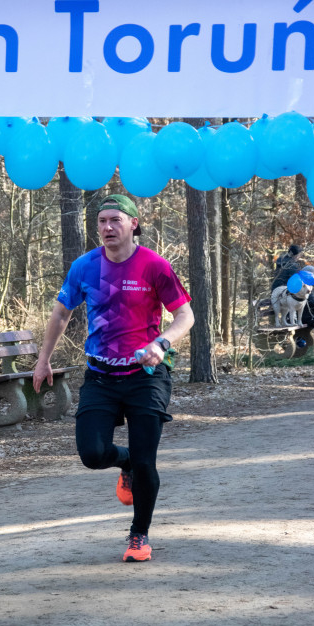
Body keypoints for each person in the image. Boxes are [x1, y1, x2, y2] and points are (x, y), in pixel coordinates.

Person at [33, 194, 194, 562]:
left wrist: (162, 343)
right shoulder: (85, 266)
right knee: (92, 454)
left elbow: (185, 315)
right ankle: (125, 462)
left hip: (146, 376)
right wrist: (43, 360)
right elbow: (60, 314)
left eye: (115, 220)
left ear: (133, 224)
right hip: (101, 376)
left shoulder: (154, 266)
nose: (107, 227)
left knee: (146, 462)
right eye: (102, 221)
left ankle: (139, 535)